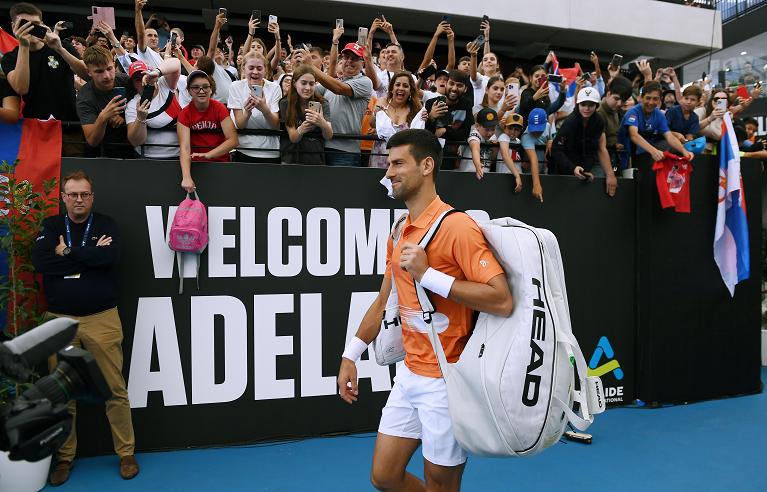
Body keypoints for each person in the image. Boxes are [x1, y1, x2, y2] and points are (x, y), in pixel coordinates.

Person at [337, 128, 512, 492]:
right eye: (388, 164)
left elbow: (501, 299)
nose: (389, 173)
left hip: (448, 382)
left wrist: (429, 275)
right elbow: (385, 300)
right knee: (384, 476)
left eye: (398, 163)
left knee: (442, 486)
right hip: (409, 375)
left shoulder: (458, 227)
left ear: (427, 165)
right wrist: (350, 355)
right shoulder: (400, 230)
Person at [31, 171, 138, 486]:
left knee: (114, 389)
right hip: (59, 321)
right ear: (64, 197)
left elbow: (110, 259)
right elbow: (41, 262)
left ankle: (126, 453)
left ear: (92, 196)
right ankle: (64, 459)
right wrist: (88, 257)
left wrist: (66, 252)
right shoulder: (52, 226)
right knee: (63, 393)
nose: (79, 200)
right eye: (73, 194)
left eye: (85, 194)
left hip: (102, 319)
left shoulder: (106, 225)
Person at [3, 3, 89, 154]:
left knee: (74, 175)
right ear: (13, 26)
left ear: (42, 24)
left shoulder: (61, 45)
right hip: (36, 130)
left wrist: (60, 49)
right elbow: (21, 87)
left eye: (35, 24)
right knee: (40, 177)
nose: (30, 29)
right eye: (25, 24)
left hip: (70, 129)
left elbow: (86, 75)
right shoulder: (11, 58)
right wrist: (24, 45)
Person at [310, 41, 373, 166]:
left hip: (345, 151)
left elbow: (339, 89)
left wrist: (310, 66)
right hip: (321, 146)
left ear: (363, 63)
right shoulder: (333, 82)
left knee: (341, 185)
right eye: (346, 57)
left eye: (354, 58)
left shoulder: (365, 82)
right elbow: (309, 92)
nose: (349, 61)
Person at [549, 87, 618, 196]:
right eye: (583, 104)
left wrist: (610, 175)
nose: (586, 108)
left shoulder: (599, 121)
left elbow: (599, 148)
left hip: (587, 167)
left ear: (596, 106)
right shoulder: (570, 122)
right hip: (564, 170)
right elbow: (556, 150)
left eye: (590, 105)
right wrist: (573, 168)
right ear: (578, 105)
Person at [177, 70, 239, 192]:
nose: (201, 91)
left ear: (211, 89)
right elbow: (184, 148)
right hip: (196, 166)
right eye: (196, 87)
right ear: (189, 91)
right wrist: (186, 177)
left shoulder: (219, 108)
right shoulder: (184, 114)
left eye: (205, 87)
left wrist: (208, 155)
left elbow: (233, 140)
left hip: (221, 164)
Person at [76, 45, 135, 158]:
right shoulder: (85, 97)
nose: (107, 76)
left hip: (129, 150)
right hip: (99, 155)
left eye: (109, 69)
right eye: (99, 71)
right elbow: (92, 140)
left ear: (114, 64)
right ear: (89, 72)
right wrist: (103, 117)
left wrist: (126, 116)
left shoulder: (127, 81)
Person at [126, 58, 190, 159]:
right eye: (137, 80)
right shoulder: (133, 104)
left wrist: (157, 72)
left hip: (180, 154)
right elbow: (136, 141)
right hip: (149, 158)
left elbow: (176, 63)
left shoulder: (165, 84)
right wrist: (140, 118)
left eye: (145, 75)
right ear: (133, 85)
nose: (143, 81)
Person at [619, 81, 694, 164]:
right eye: (648, 98)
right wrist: (654, 151)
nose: (651, 102)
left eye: (655, 99)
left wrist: (684, 151)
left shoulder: (659, 114)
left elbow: (669, 136)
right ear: (641, 98)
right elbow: (634, 136)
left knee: (674, 148)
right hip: (626, 155)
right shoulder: (633, 112)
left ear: (660, 100)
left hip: (646, 153)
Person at [228, 52, 281, 162]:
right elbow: (240, 124)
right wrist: (247, 113)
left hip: (270, 152)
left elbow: (275, 124)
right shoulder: (236, 86)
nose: (255, 72)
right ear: (244, 68)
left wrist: (264, 109)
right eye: (251, 68)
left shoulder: (274, 88)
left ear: (265, 70)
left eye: (259, 68)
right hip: (244, 150)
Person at [279, 63, 332, 165]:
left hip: (315, 159)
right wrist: (302, 129)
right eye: (303, 83)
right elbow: (293, 137)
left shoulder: (322, 102)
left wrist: (322, 123)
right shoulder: (285, 102)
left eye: (311, 84)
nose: (307, 88)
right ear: (294, 83)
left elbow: (329, 135)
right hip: (291, 159)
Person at [370, 70, 423, 168]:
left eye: (405, 86)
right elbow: (372, 124)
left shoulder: (416, 108)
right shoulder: (383, 102)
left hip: (403, 160)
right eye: (397, 84)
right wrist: (375, 114)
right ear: (392, 88)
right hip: (380, 156)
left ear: (411, 90)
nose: (401, 88)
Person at [423, 69, 475, 169]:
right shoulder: (431, 103)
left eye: (459, 85)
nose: (454, 88)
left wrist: (444, 130)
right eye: (451, 83)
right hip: (430, 156)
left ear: (465, 89)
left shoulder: (466, 105)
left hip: (452, 160)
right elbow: (427, 134)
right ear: (446, 84)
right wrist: (431, 117)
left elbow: (464, 134)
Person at [597, 75, 632, 168]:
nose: (619, 103)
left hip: (615, 157)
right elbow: (601, 147)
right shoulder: (599, 114)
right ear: (608, 94)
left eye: (623, 100)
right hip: (599, 161)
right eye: (616, 99)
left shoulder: (614, 110)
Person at [521, 107, 552, 202]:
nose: (536, 132)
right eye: (534, 129)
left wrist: (550, 141)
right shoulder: (526, 136)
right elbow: (533, 160)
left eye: (539, 129)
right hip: (529, 175)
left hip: (545, 170)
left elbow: (551, 137)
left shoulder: (548, 126)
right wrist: (536, 185)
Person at [457, 107, 498, 179]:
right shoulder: (474, 134)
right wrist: (478, 165)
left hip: (484, 175)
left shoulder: (493, 137)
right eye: (487, 130)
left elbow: (493, 158)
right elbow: (475, 148)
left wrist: (495, 148)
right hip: (468, 175)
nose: (490, 133)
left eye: (493, 129)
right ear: (477, 126)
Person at [495, 112, 524, 191]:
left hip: (517, 177)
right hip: (504, 176)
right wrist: (517, 176)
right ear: (504, 128)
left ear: (521, 130)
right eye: (510, 128)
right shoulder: (503, 136)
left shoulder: (518, 141)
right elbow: (505, 156)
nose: (512, 132)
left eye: (516, 129)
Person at [133, 0, 163, 69]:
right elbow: (140, 33)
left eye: (155, 36)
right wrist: (138, 11)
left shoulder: (161, 56)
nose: (153, 38)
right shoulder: (144, 50)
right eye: (149, 35)